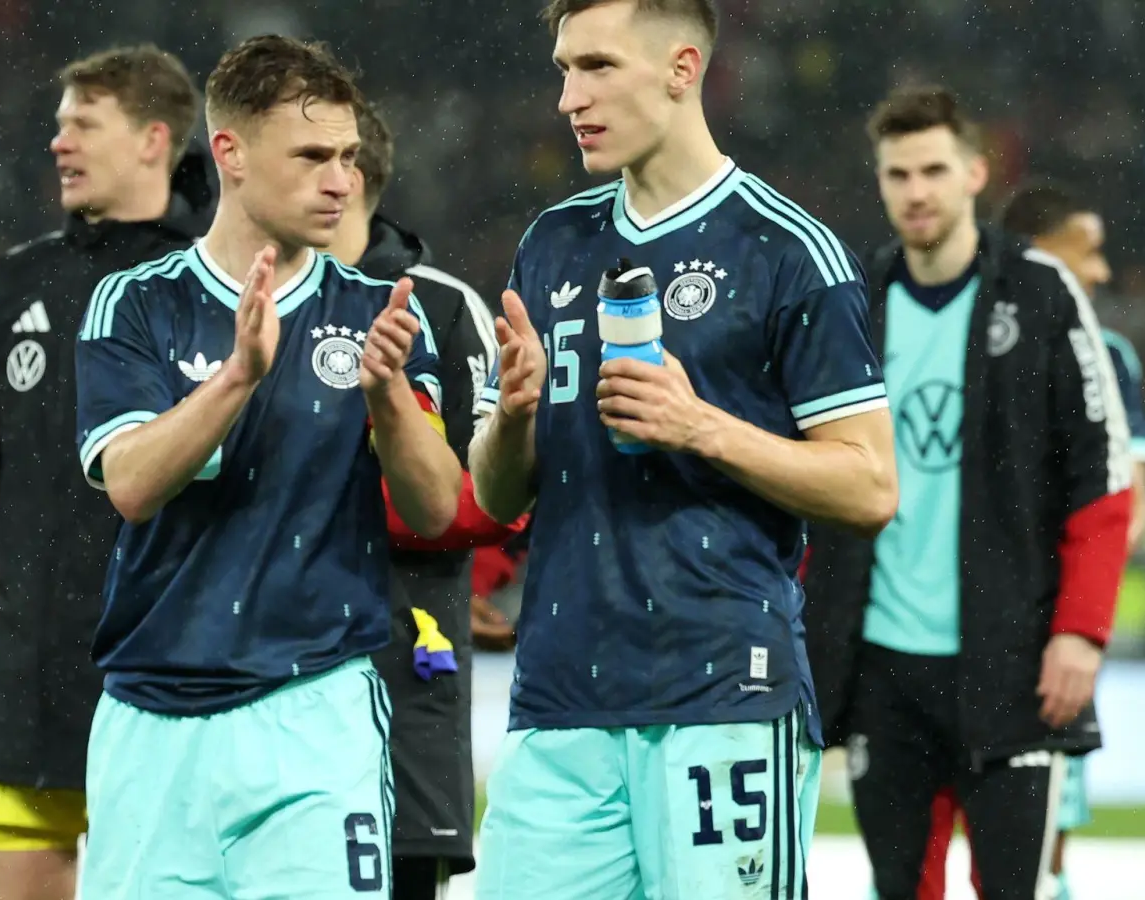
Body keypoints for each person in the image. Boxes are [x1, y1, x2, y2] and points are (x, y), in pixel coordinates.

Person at [468, 2, 897, 898]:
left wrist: (701, 426)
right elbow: (498, 496)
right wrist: (512, 417)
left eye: (595, 67)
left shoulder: (789, 252)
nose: (567, 98)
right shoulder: (551, 245)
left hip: (722, 697)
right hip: (560, 700)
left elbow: (868, 486)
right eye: (562, 69)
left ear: (681, 67)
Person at [73, 35, 463, 897]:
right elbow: (132, 484)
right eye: (314, 156)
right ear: (230, 154)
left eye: (350, 157)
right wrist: (239, 379)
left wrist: (391, 394)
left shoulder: (379, 311)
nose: (342, 180)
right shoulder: (138, 302)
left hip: (314, 709)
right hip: (152, 720)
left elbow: (435, 507)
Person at [0, 45, 209, 900]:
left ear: (153, 140)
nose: (59, 143)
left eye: (82, 124)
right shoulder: (15, 284)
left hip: (164, 666)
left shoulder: (207, 283)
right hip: (23, 667)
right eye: (58, 124)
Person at [803, 86, 1134, 900]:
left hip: (1012, 661)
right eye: (898, 174)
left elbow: (1103, 478)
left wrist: (1081, 633)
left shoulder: (1042, 293)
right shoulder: (852, 304)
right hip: (884, 669)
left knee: (1012, 890)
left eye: (933, 170)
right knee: (900, 888)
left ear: (976, 174)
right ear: (880, 182)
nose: (916, 191)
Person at [915, 180, 1145, 900]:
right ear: (1036, 254)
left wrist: (1065, 603)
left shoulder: (1104, 353)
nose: (1102, 272)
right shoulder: (948, 327)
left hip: (1038, 630)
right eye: (1087, 252)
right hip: (931, 629)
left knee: (1037, 845)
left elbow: (1125, 501)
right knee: (912, 844)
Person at [328, 97, 521, 896]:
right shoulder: (241, 295)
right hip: (264, 675)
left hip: (406, 665)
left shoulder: (439, 306)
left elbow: (482, 496)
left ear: (357, 174)